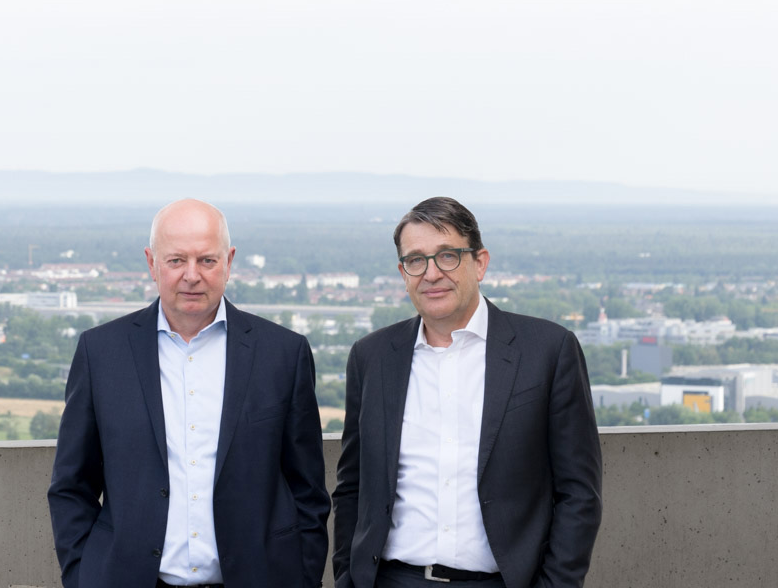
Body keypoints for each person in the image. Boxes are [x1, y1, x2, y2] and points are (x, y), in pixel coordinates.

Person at [49, 198, 330, 588]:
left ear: (229, 261)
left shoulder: (283, 353)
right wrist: (83, 576)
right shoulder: (101, 352)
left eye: (207, 261)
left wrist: (302, 576)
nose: (192, 275)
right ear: (152, 263)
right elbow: (71, 485)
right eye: (176, 260)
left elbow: (308, 490)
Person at [332, 197, 602, 588]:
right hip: (391, 579)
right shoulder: (371, 357)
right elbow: (352, 486)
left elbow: (579, 492)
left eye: (447, 256)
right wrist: (348, 576)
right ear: (403, 272)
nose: (431, 273)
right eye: (416, 260)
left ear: (480, 262)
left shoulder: (548, 350)